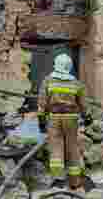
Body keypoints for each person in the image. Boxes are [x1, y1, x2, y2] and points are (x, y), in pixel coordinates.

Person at [38, 53, 88, 190]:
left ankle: (58, 179)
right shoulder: (76, 83)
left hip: (54, 118)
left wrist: (41, 118)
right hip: (71, 119)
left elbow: (42, 101)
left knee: (56, 147)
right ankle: (74, 181)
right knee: (72, 148)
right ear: (69, 67)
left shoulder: (48, 81)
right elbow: (83, 104)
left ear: (56, 64)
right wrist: (87, 117)